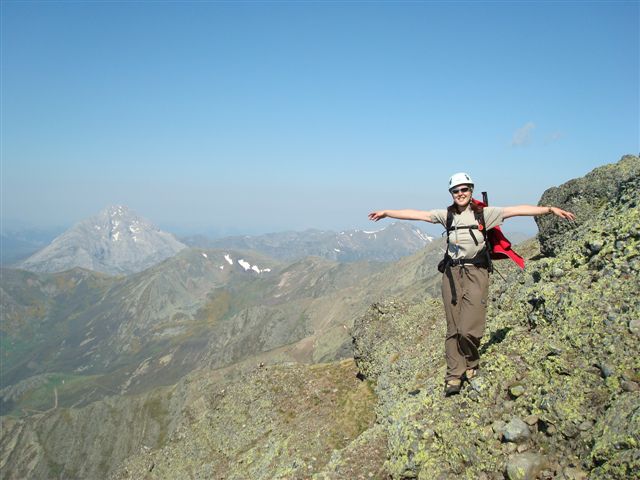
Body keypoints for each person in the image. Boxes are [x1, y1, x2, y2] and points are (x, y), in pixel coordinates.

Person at [368, 172, 576, 396]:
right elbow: (418, 215)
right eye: (456, 190)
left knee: (469, 328)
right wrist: (387, 213)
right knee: (453, 327)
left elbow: (517, 210)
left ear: (471, 190)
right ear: (451, 193)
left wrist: (549, 209)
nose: (460, 193)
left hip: (477, 272)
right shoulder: (447, 215)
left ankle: (471, 361)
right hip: (451, 274)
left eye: (464, 189)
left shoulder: (485, 214)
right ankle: (454, 375)